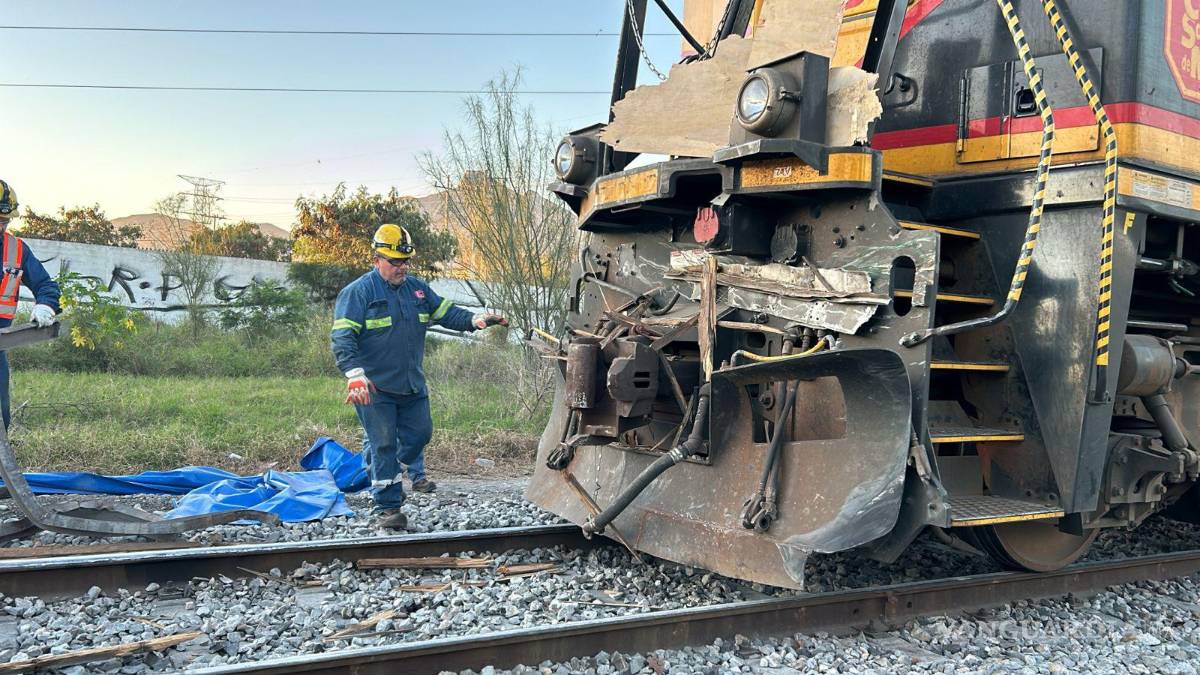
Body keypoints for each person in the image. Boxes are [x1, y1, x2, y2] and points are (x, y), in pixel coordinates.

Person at [330, 224, 507, 529]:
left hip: (411, 385)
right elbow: (343, 338)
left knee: (420, 435)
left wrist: (476, 320)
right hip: (375, 387)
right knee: (384, 443)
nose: (402, 267)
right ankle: (388, 508)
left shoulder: (418, 289)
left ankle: (380, 468)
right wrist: (355, 374)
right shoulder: (358, 293)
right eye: (394, 262)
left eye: (405, 261)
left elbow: (447, 312)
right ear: (376, 260)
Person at [0, 179, 60, 430]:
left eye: (5, 221)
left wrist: (45, 305)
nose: (0, 226)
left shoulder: (16, 249)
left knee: (1, 417)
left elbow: (46, 285)